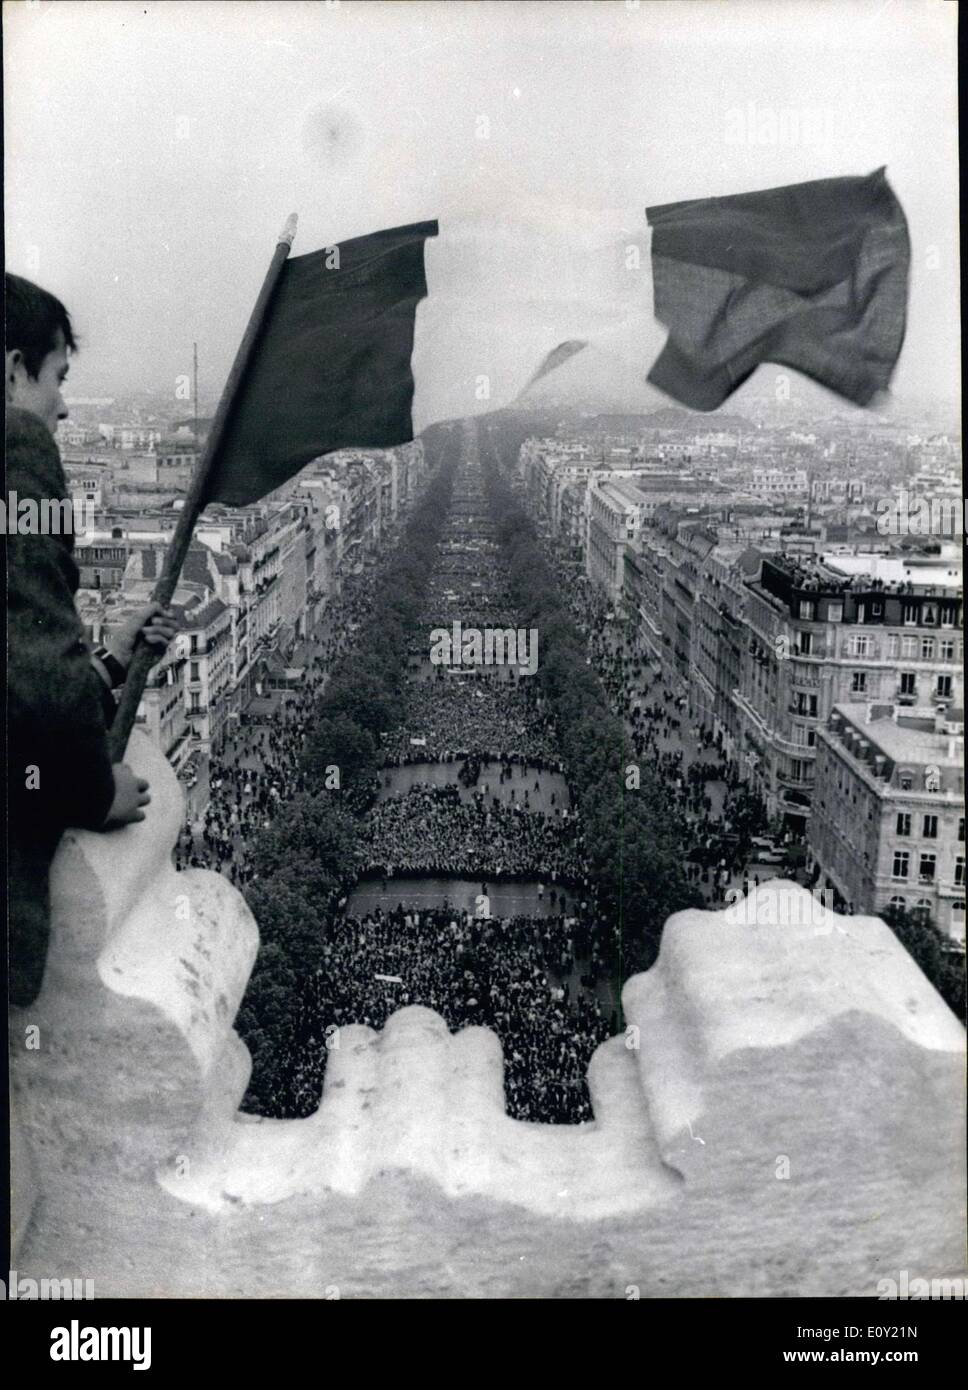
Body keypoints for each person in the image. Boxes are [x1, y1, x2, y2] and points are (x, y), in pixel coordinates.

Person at [5, 272, 177, 1006]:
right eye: (58, 378)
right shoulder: (16, 447)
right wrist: (91, 788)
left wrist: (107, 656)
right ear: (13, 368)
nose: (64, 406)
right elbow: (35, 680)